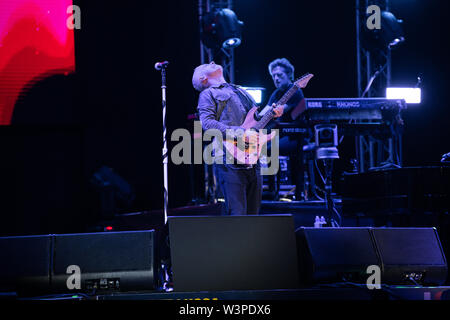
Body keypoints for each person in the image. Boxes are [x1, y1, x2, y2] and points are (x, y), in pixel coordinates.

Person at [192, 61, 283, 215]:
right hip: (228, 158)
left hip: (253, 157)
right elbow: (207, 123)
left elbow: (255, 123)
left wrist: (273, 115)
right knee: (237, 215)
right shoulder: (207, 94)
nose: (213, 62)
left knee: (253, 214)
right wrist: (240, 132)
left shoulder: (240, 90)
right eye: (207, 64)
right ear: (203, 79)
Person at [266, 58, 308, 200]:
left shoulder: (295, 91)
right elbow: (264, 113)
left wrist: (271, 112)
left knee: (269, 149)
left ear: (289, 75)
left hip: (296, 137)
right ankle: (267, 189)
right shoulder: (276, 93)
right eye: (273, 76)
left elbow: (281, 110)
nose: (276, 78)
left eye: (280, 75)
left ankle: (274, 191)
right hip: (281, 135)